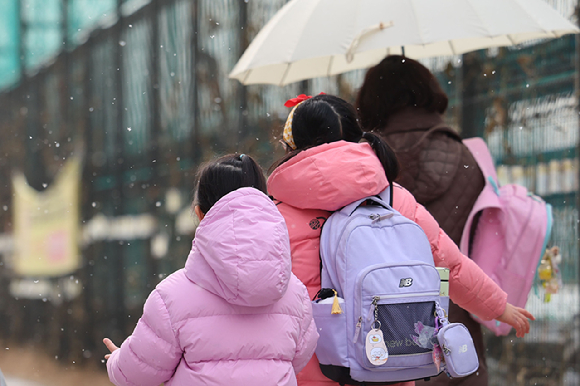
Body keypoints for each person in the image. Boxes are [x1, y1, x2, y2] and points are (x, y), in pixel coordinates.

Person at [268, 94, 534, 386]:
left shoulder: (275, 213)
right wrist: (498, 306)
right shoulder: (394, 198)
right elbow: (450, 263)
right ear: (358, 136)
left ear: (293, 147)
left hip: (313, 368)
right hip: (385, 362)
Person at [103, 154, 318, 386]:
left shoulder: (172, 298)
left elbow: (138, 374)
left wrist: (116, 360)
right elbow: (299, 357)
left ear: (200, 214)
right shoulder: (295, 293)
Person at [356, 55, 489, 386]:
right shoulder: (465, 158)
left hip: (383, 339)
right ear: (428, 91)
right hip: (455, 335)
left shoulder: (361, 164)